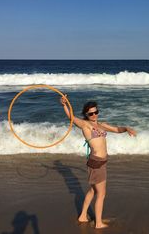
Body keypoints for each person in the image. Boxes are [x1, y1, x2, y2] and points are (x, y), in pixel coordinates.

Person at [60, 95, 137, 229]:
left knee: (92, 190)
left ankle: (83, 215)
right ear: (86, 114)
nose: (94, 115)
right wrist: (64, 105)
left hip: (101, 162)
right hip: (96, 162)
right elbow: (71, 117)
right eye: (91, 113)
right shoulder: (85, 125)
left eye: (96, 112)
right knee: (101, 194)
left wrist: (126, 129)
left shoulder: (101, 125)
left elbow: (116, 129)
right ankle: (98, 223)